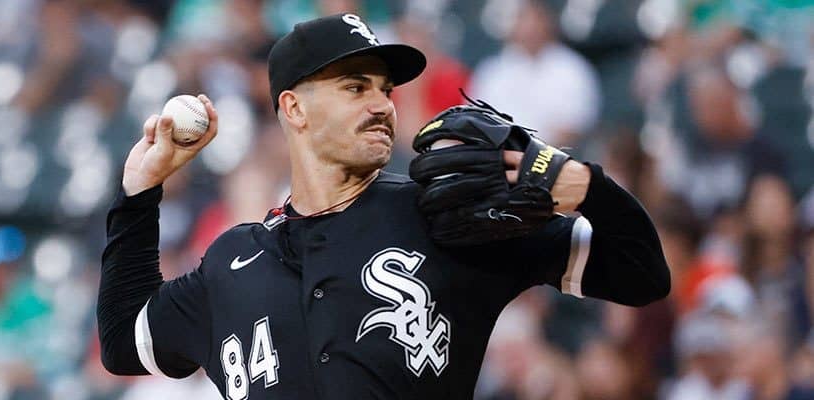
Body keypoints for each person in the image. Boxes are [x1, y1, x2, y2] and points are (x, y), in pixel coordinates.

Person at [97, 13, 669, 399]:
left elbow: (641, 276)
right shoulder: (232, 262)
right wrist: (140, 194)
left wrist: (591, 188)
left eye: (385, 90)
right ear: (294, 109)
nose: (381, 105)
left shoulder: (444, 217)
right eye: (355, 87)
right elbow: (124, 343)